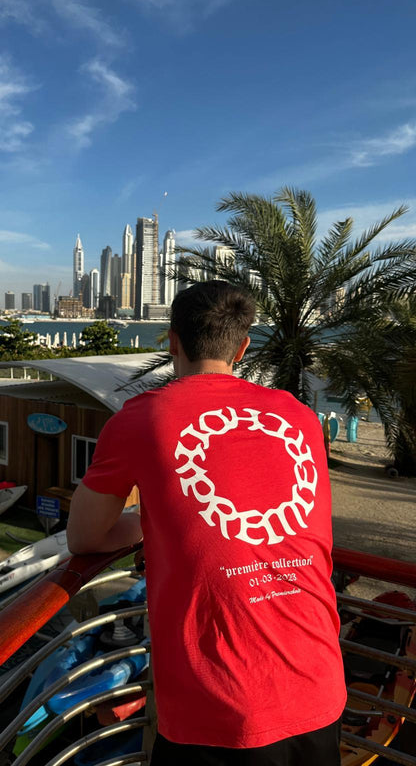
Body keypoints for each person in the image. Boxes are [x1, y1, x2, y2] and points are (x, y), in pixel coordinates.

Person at [67, 280, 346, 765]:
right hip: (318, 687)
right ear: (242, 347)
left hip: (217, 708)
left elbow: (83, 538)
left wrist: (148, 522)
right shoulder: (300, 416)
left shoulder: (141, 418)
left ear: (172, 342)